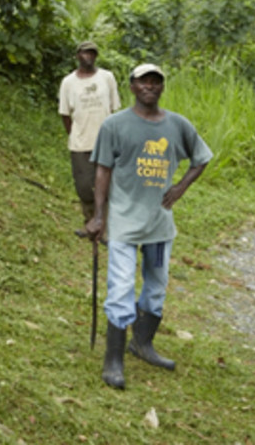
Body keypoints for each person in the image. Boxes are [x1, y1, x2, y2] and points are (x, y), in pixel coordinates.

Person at [85, 64, 212, 390]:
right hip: (125, 225)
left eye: (156, 82)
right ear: (132, 86)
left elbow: (201, 158)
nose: (150, 86)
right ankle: (113, 360)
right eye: (144, 81)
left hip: (159, 226)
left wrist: (181, 187)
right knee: (122, 287)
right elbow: (102, 171)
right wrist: (99, 216)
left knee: (155, 288)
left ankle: (142, 344)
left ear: (162, 87)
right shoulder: (115, 125)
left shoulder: (177, 125)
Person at [58, 40, 121, 236]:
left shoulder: (107, 77)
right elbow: (65, 114)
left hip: (105, 142)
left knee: (107, 186)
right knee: (84, 186)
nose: (88, 57)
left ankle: (105, 229)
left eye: (92, 53)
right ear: (77, 56)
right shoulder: (68, 82)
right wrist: (75, 134)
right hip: (80, 142)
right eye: (85, 53)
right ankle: (90, 221)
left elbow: (114, 109)